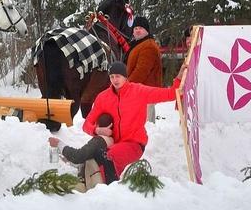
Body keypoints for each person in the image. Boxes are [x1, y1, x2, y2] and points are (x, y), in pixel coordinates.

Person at [79, 61, 178, 189]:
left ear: (125, 77)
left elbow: (170, 94)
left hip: (134, 144)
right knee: (93, 153)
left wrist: (179, 78)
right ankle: (87, 182)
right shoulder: (103, 97)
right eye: (112, 77)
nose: (115, 80)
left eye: (118, 76)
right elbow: (86, 124)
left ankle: (113, 190)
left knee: (105, 156)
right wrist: (97, 130)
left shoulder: (139, 91)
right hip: (116, 143)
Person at [125, 15, 163, 123]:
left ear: (146, 30)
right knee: (146, 125)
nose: (137, 31)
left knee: (144, 125)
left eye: (141, 28)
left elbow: (141, 71)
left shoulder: (148, 46)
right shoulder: (140, 45)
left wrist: (127, 86)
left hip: (145, 92)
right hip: (142, 92)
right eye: (135, 28)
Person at [48, 112, 114, 165]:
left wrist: (58, 144)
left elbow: (78, 157)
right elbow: (88, 156)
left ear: (97, 125)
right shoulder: (111, 141)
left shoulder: (99, 141)